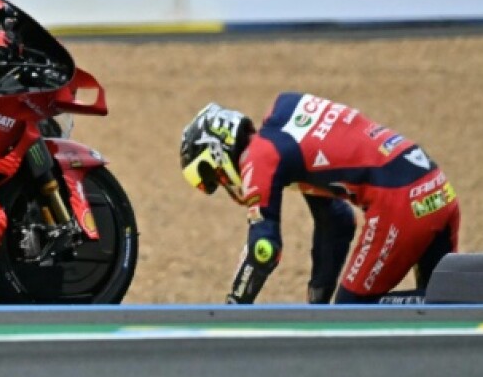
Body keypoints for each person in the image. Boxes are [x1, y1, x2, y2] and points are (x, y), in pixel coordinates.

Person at [179, 95, 460, 305]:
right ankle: (454, 305)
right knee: (444, 319)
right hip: (435, 186)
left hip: (400, 202)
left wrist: (233, 307)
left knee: (353, 313)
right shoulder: (286, 119)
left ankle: (447, 306)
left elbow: (263, 249)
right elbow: (336, 223)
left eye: (213, 176)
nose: (223, 184)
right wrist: (318, 305)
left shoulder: (259, 156)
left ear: (218, 152)